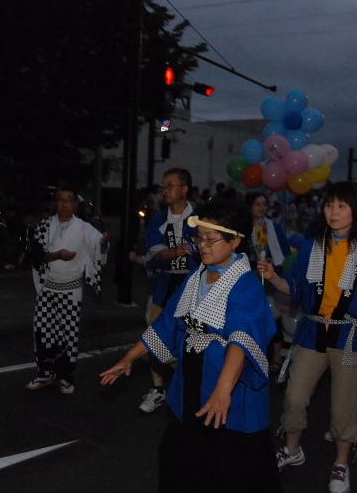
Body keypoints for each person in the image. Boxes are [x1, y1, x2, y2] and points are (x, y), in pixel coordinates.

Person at [101, 199, 281, 493]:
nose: (204, 245)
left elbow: (241, 340)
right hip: (192, 383)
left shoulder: (246, 285)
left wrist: (223, 391)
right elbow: (168, 324)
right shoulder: (195, 277)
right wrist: (129, 358)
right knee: (178, 458)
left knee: (235, 468)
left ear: (236, 241)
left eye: (212, 239)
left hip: (230, 389)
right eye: (200, 238)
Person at [258, 182, 357, 493]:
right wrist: (273, 277)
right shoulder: (313, 246)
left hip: (350, 335)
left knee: (343, 404)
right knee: (294, 396)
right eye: (328, 205)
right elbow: (295, 290)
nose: (332, 212)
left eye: (341, 206)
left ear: (354, 212)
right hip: (314, 331)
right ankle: (292, 449)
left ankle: (340, 463)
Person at [26, 184, 108, 394]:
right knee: (43, 333)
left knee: (68, 335)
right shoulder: (43, 226)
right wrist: (57, 255)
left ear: (75, 204)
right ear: (56, 203)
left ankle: (66, 378)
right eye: (61, 199)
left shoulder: (84, 228)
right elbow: (35, 256)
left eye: (69, 199)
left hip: (71, 290)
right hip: (47, 289)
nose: (64, 204)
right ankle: (45, 374)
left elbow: (98, 248)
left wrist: (104, 243)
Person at [129, 168, 198, 413]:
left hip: (194, 287)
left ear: (184, 189)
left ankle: (188, 384)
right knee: (154, 331)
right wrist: (175, 252)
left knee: (193, 336)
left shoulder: (200, 218)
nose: (165, 191)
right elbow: (154, 255)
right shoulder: (159, 219)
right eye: (164, 186)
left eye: (170, 185)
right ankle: (158, 388)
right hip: (165, 284)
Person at [247, 191, 290, 374]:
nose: (262, 208)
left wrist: (274, 265)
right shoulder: (243, 227)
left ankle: (276, 356)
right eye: (257, 204)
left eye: (264, 204)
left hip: (271, 278)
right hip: (251, 278)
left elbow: (285, 254)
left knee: (274, 317)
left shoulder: (274, 228)